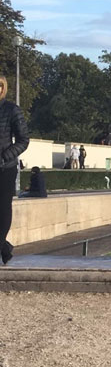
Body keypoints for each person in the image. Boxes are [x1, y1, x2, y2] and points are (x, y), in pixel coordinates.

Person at [0, 75, 29, 264]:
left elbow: (23, 140)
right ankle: (4, 248)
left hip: (5, 168)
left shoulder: (11, 110)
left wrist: (4, 157)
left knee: (2, 209)